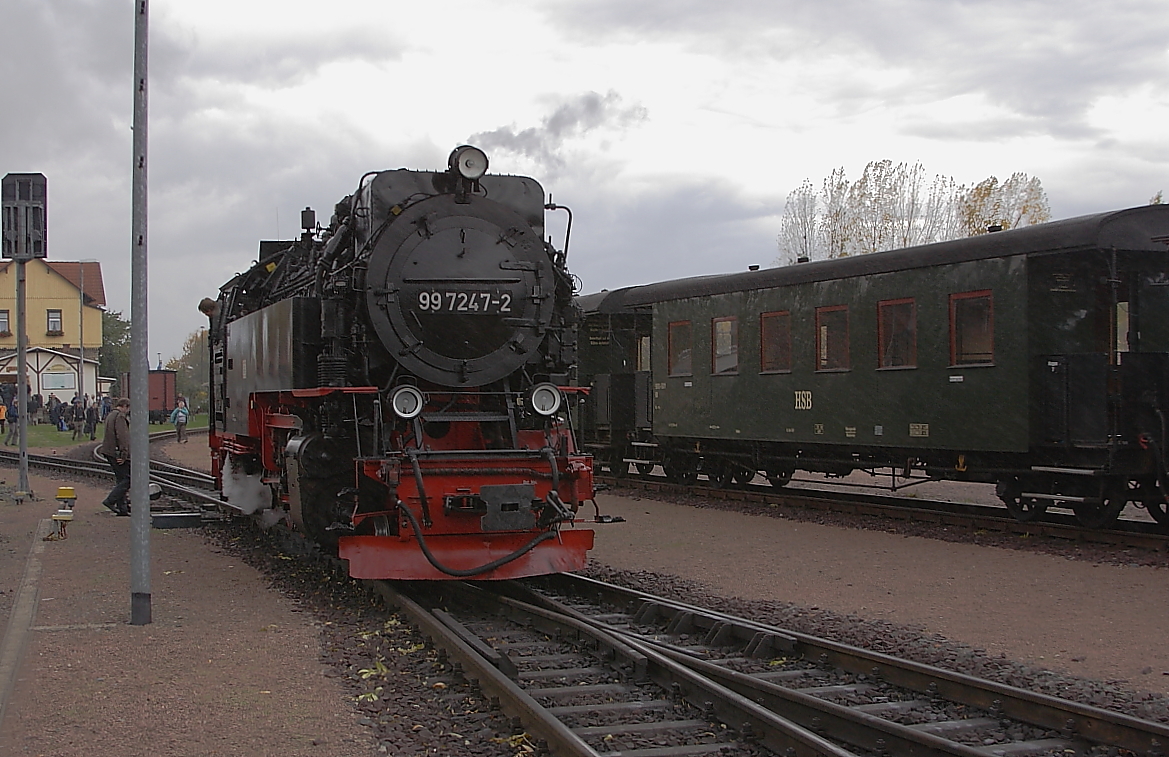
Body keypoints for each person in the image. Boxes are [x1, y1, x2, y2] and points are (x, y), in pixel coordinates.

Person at [99, 398, 132, 516]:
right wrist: (124, 454)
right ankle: (110, 500)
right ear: (124, 406)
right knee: (128, 478)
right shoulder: (120, 417)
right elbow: (122, 436)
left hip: (109, 451)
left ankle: (122, 508)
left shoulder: (110, 415)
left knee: (121, 479)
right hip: (116, 452)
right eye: (128, 408)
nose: (128, 411)